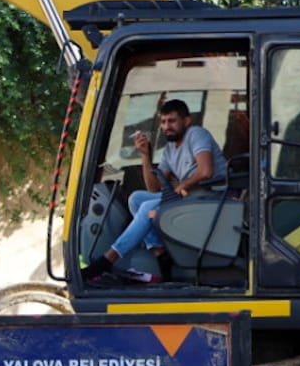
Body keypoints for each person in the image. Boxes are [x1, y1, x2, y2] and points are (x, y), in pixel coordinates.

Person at [86, 98, 226, 285]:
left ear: (186, 121)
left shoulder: (196, 134)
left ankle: (107, 260)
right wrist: (145, 155)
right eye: (163, 121)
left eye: (172, 121)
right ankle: (160, 253)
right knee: (137, 199)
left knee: (148, 209)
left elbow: (206, 171)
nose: (166, 126)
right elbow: (154, 187)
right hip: (190, 198)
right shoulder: (170, 149)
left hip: (212, 197)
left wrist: (181, 186)